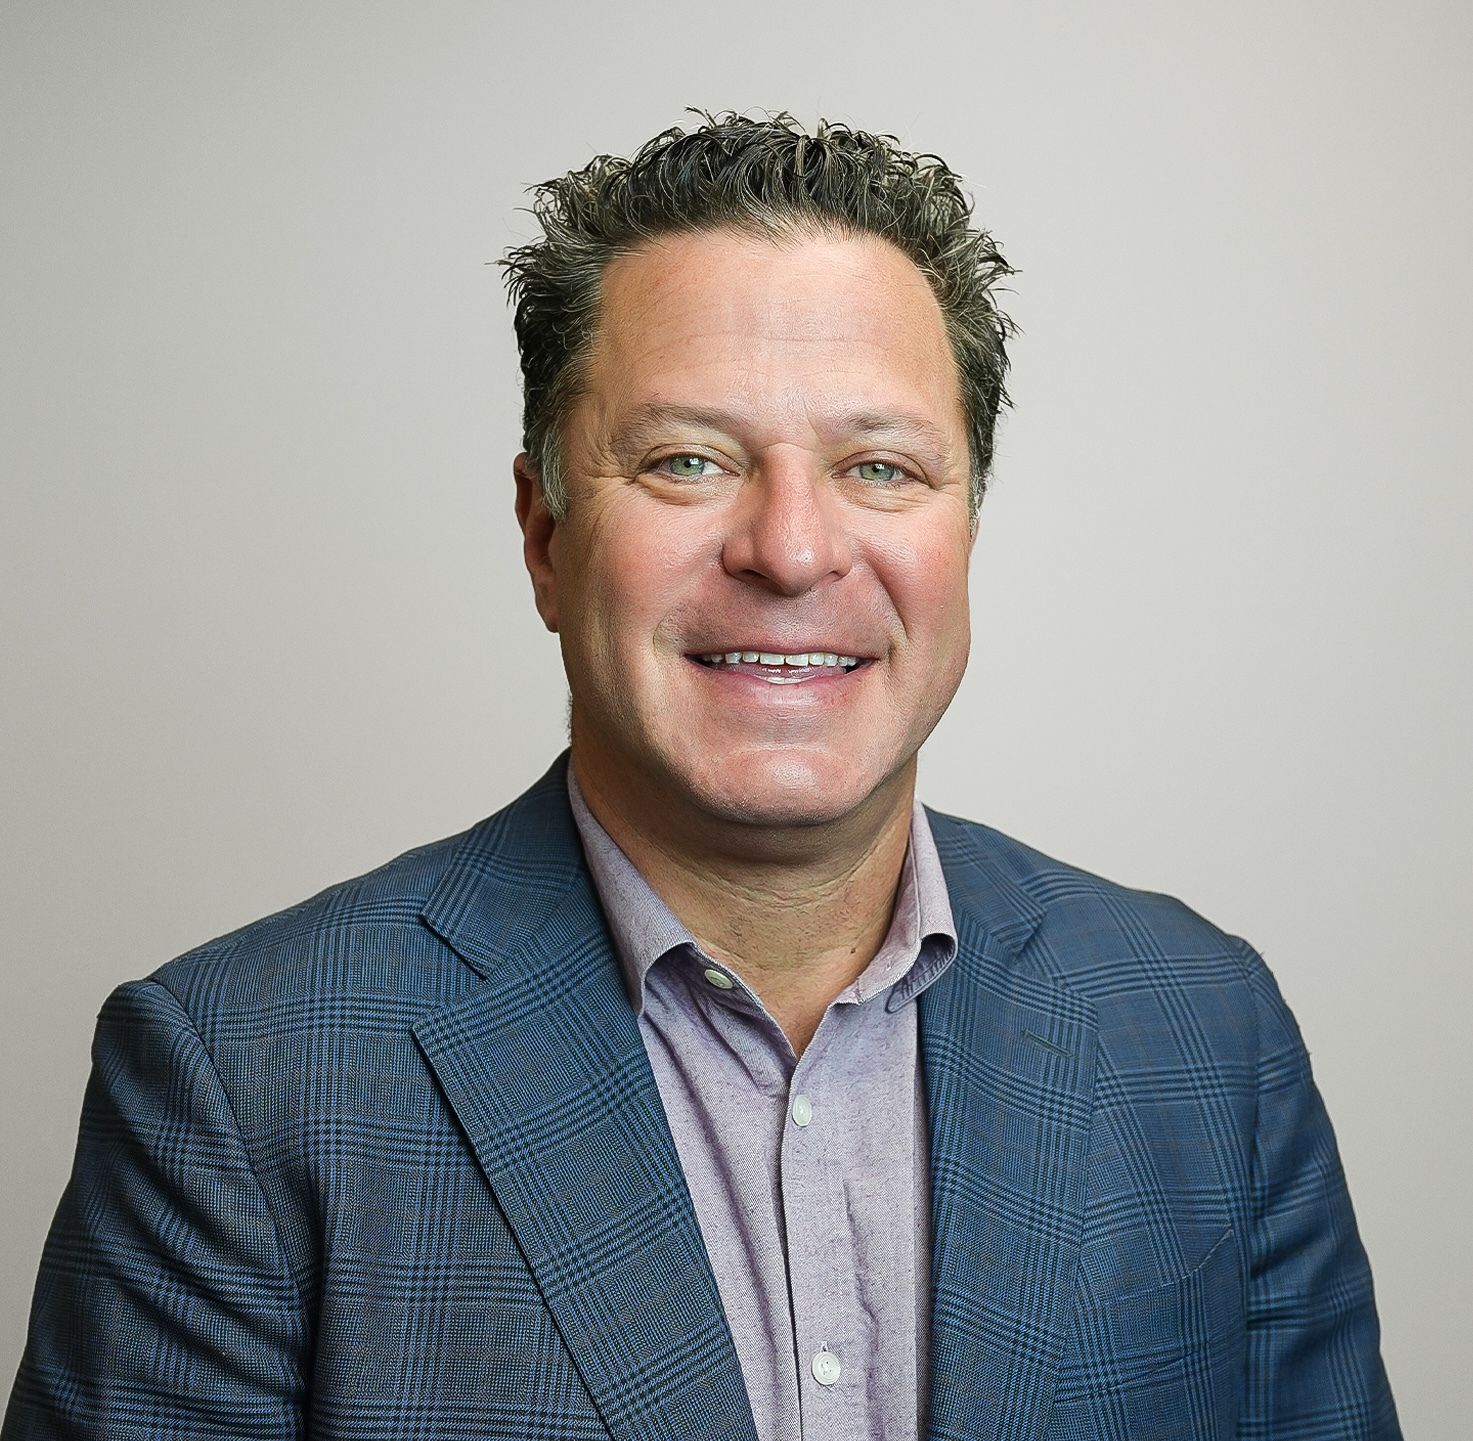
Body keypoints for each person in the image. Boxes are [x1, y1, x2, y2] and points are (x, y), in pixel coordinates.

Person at [3, 112, 1399, 1441]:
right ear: (544, 532)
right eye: (688, 460)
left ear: (968, 523)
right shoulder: (243, 1078)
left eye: (879, 465)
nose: (791, 550)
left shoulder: (1203, 1033)